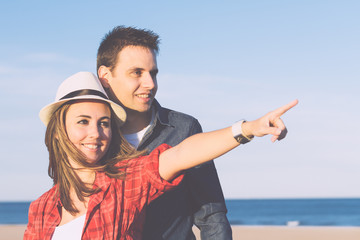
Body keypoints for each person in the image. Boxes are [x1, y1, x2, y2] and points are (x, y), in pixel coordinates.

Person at [24, 71, 298, 240]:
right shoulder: (41, 207)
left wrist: (248, 129)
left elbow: (181, 154)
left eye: (104, 123)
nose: (96, 133)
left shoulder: (124, 182)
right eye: (82, 121)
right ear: (58, 131)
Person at [96, 26, 232, 240]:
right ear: (105, 76)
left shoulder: (183, 128)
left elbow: (211, 216)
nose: (150, 84)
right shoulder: (92, 137)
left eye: (153, 73)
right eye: (137, 72)